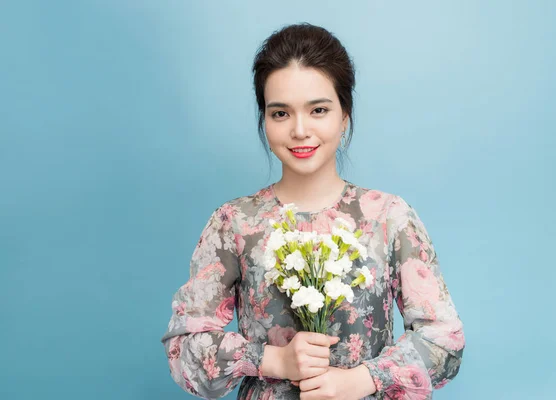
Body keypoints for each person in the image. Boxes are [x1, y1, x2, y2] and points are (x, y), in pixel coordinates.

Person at [160, 22, 465, 400]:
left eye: (318, 109)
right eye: (280, 114)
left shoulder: (389, 217)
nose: (300, 130)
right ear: (264, 120)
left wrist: (361, 380)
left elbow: (445, 341)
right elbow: (183, 354)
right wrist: (271, 360)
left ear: (344, 116)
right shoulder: (234, 223)